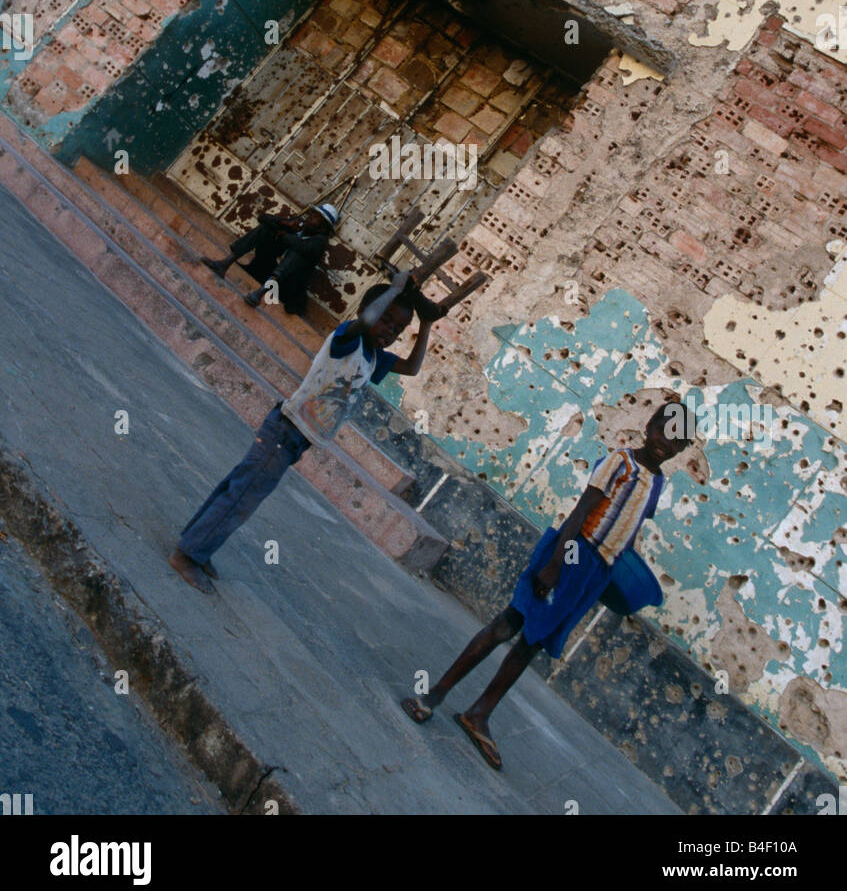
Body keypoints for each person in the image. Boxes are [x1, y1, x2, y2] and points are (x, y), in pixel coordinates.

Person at [401, 401, 697, 771]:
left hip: (596, 572)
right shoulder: (619, 463)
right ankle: (435, 693)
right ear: (651, 424)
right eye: (664, 430)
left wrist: (610, 575)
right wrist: (556, 564)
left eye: (678, 440)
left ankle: (479, 713)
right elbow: (581, 511)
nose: (666, 443)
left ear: (683, 449)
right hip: (571, 553)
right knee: (507, 624)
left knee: (532, 644)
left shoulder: (656, 484)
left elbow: (630, 526)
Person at [169, 270, 446, 593]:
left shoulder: (374, 357)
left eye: (398, 329)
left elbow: (411, 368)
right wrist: (396, 288)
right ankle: (188, 554)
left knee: (239, 488)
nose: (390, 331)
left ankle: (197, 544)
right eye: (386, 320)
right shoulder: (348, 338)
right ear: (368, 313)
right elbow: (364, 322)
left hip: (298, 439)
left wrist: (426, 325)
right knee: (242, 495)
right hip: (285, 430)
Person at [201, 202, 337, 315]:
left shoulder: (320, 241)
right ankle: (224, 264)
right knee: (265, 229)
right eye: (312, 213)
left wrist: (283, 234)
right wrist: (284, 223)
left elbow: (300, 246)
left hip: (283, 288)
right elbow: (263, 218)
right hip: (266, 270)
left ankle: (258, 295)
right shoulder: (300, 225)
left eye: (316, 217)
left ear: (323, 228)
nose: (310, 217)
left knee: (297, 254)